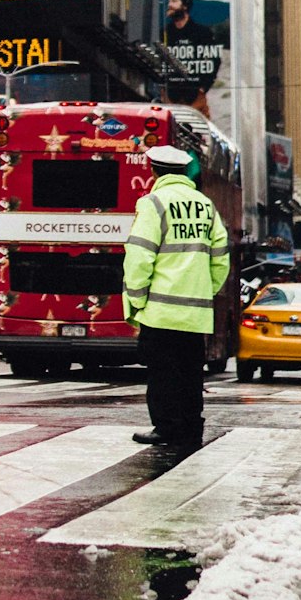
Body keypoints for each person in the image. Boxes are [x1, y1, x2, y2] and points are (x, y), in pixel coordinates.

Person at [122, 141, 231, 453]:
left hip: (160, 309)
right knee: (190, 372)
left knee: (162, 373)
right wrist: (205, 289)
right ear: (185, 171)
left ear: (155, 171)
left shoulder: (153, 203)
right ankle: (190, 427)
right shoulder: (205, 205)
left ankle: (166, 427)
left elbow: (140, 256)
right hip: (195, 313)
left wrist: (137, 297)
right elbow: (221, 256)